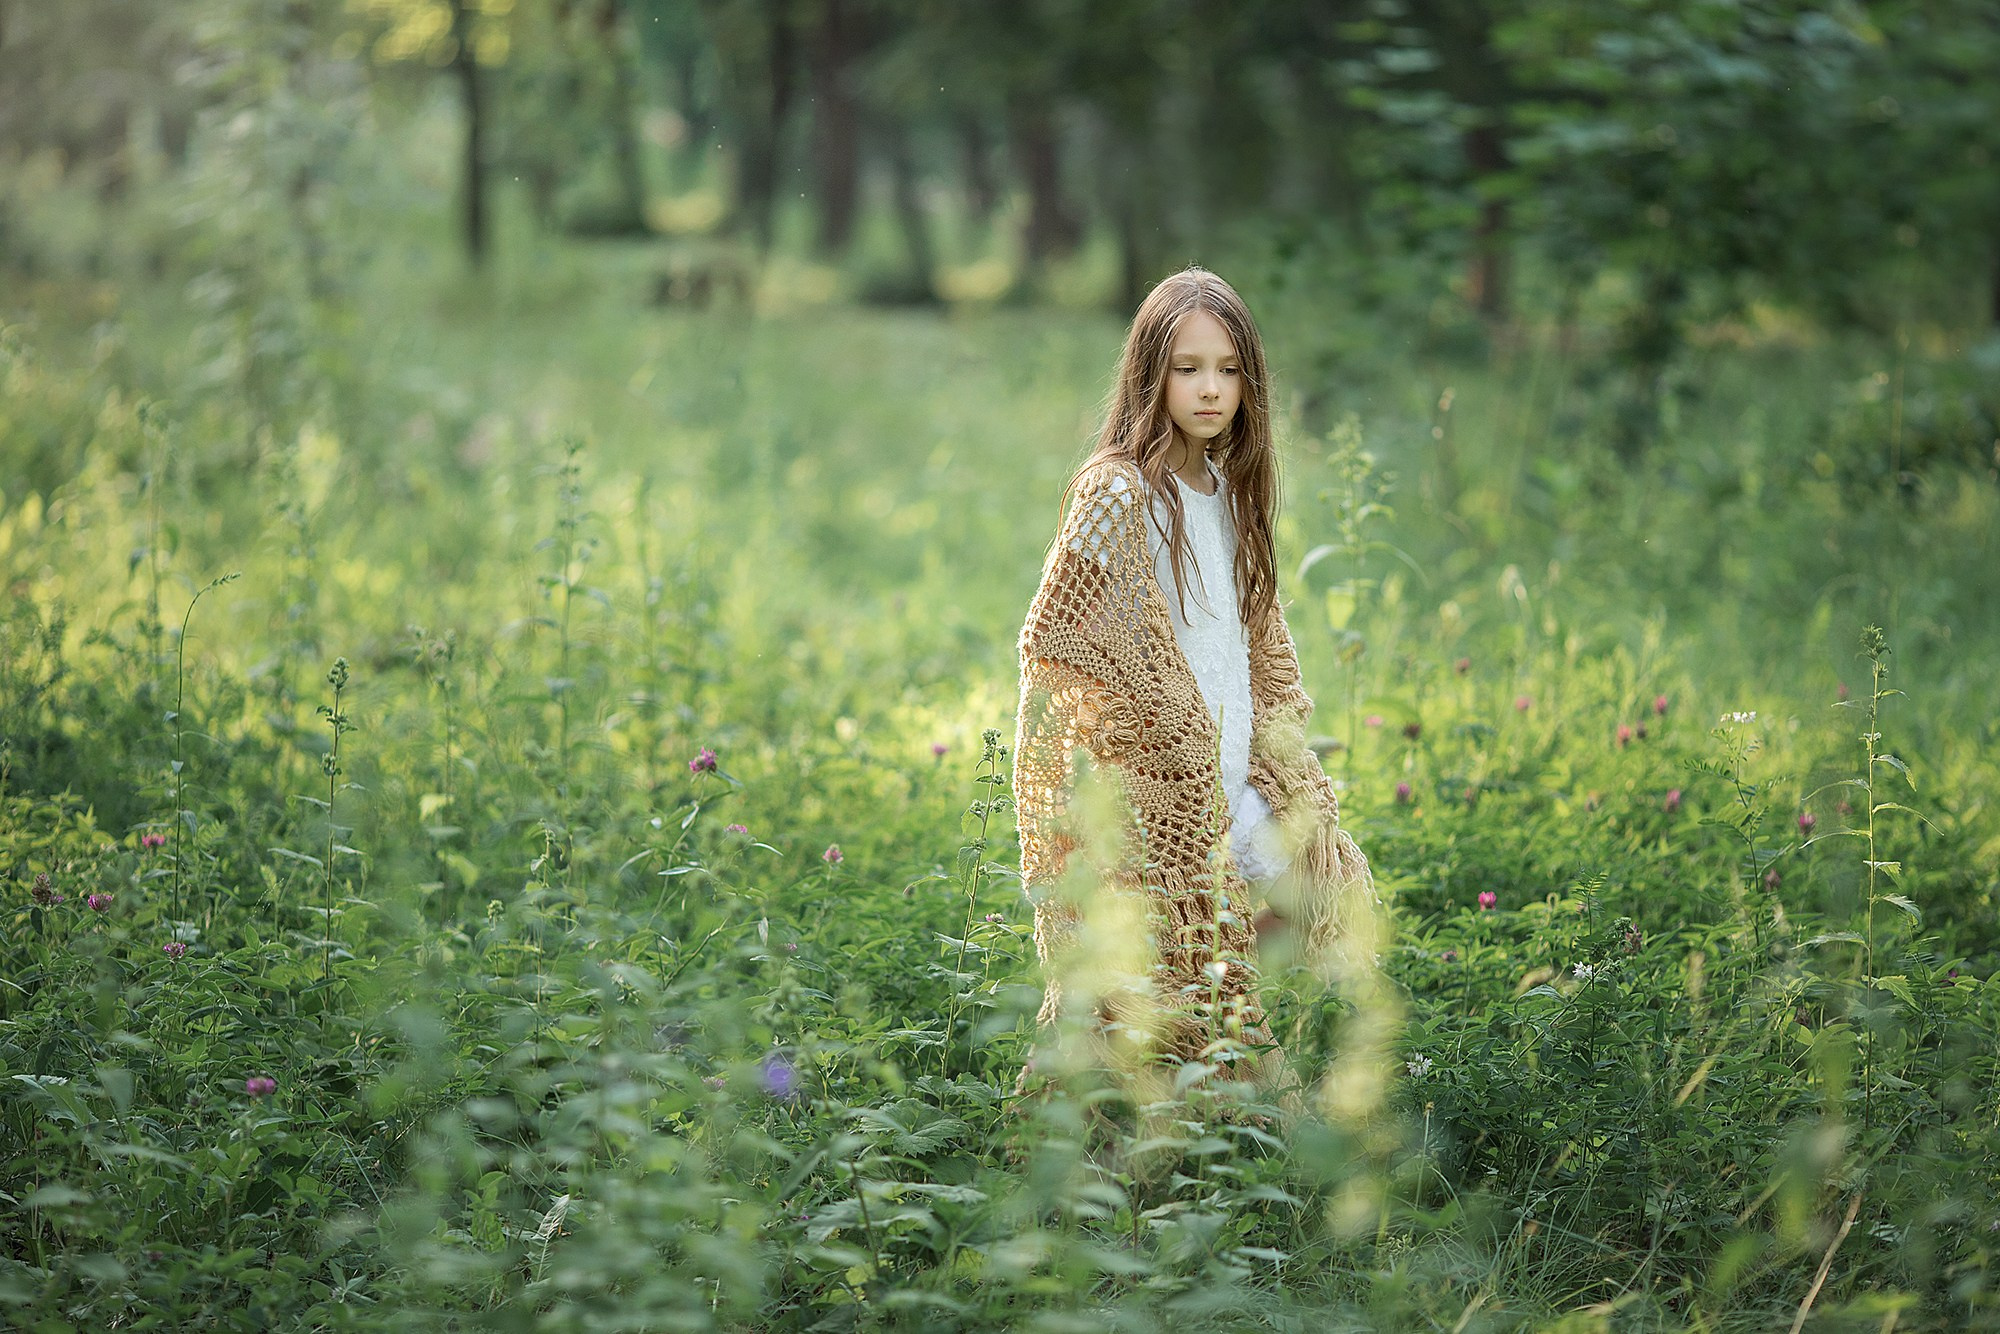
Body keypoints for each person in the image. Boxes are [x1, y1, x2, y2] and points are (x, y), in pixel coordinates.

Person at [1012, 266, 1375, 1083]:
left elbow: (1252, 646)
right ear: (1152, 374)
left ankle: (1207, 1046)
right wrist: (1135, 738)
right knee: (1149, 978)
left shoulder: (1229, 492)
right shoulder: (1118, 492)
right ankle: (1156, 1091)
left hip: (1234, 776)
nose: (1211, 389)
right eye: (1188, 368)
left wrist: (1276, 748)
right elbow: (1058, 639)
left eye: (1228, 369)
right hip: (1157, 790)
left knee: (1314, 896)